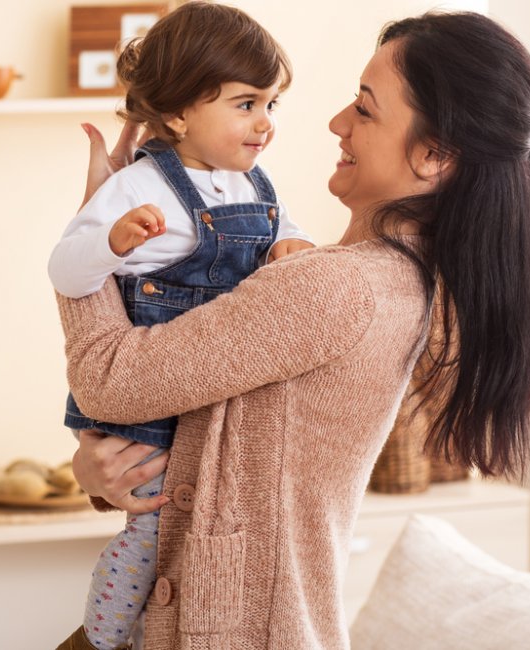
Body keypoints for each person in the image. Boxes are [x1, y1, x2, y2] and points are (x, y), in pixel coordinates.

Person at [56, 10, 530, 650]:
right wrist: (107, 468)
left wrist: (90, 242)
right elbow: (216, 441)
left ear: (435, 155)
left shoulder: (332, 289)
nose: (336, 124)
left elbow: (109, 381)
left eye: (365, 109)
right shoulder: (389, 279)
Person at [49, 3, 312, 649]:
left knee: (190, 537)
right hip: (146, 405)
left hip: (210, 394)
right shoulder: (137, 185)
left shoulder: (251, 183)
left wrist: (291, 247)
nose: (264, 124)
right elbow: (65, 271)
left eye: (271, 105)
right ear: (176, 114)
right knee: (151, 529)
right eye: (246, 104)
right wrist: (109, 241)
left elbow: (287, 229)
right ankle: (102, 637)